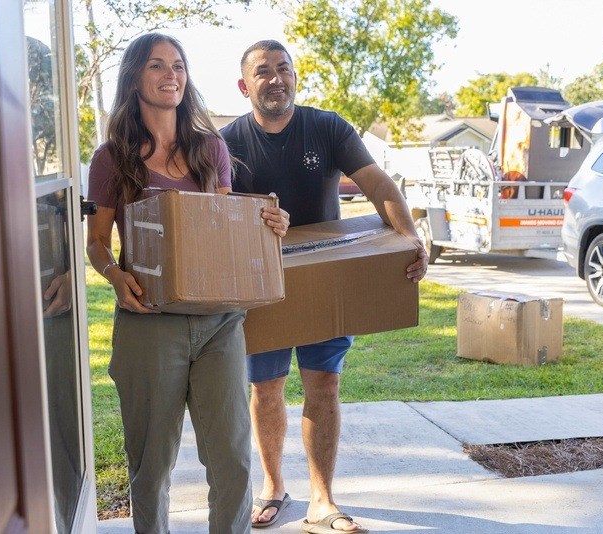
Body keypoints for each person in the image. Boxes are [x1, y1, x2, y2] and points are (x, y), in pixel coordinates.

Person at [220, 40, 428, 533]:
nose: (276, 79)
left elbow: (378, 185)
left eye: (284, 69)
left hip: (326, 279)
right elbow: (216, 211)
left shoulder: (329, 128)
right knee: (266, 389)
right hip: (260, 283)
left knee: (324, 385)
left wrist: (408, 238)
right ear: (244, 85)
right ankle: (274, 486)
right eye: (264, 72)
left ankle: (322, 500)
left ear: (295, 76)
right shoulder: (227, 141)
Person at [85, 33, 289, 534]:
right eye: (158, 66)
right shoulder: (111, 158)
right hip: (149, 323)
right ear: (135, 77)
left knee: (233, 462)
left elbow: (222, 228)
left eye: (178, 65)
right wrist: (115, 276)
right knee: (151, 466)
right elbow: (96, 244)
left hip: (220, 322)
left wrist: (267, 224)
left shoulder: (210, 148)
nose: (171, 74)